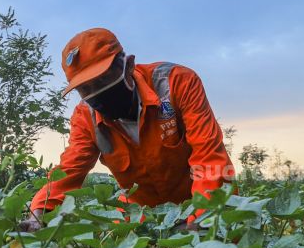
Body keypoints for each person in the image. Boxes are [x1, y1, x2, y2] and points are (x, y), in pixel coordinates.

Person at [21, 28, 235, 231]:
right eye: (86, 88)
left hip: (203, 206)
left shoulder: (175, 83)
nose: (98, 93)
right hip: (142, 218)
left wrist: (201, 218)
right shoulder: (85, 118)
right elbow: (69, 171)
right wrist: (38, 212)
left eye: (103, 79)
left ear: (129, 65)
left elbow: (209, 158)